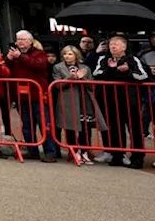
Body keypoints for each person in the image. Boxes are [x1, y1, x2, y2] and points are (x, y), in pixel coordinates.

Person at [93, 35, 149, 169]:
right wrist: (112, 69)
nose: (112, 46)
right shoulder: (104, 59)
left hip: (130, 101)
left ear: (124, 47)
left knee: (135, 129)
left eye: (116, 44)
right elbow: (97, 74)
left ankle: (137, 158)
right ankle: (117, 155)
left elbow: (143, 76)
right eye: (111, 44)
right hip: (110, 100)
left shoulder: (132, 59)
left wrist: (127, 71)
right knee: (114, 129)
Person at [5, 30, 58, 163]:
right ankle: (32, 150)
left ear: (30, 41)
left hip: (38, 95)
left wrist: (20, 57)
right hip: (22, 96)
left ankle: (50, 151)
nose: (20, 42)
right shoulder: (16, 55)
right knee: (27, 126)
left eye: (23, 39)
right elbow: (8, 70)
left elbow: (38, 65)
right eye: (18, 39)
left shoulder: (39, 53)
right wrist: (9, 60)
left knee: (44, 125)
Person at [52, 45, 104, 165]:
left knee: (85, 127)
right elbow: (57, 85)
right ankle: (74, 151)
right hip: (67, 101)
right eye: (65, 54)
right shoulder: (57, 67)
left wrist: (82, 78)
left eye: (70, 54)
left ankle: (85, 151)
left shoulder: (85, 67)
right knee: (70, 127)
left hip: (84, 100)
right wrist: (71, 78)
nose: (67, 56)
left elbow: (92, 85)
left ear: (76, 55)